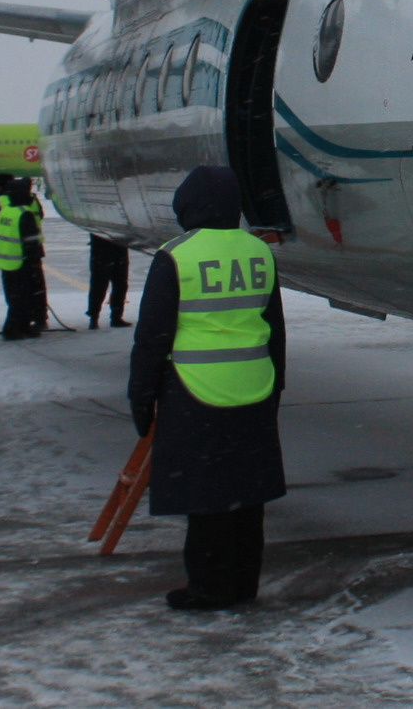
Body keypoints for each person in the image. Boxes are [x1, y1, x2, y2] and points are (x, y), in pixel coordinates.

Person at [128, 166, 286, 611]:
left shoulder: (176, 255)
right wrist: (277, 387)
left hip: (196, 389)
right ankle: (242, 582)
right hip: (254, 386)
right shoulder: (258, 251)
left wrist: (141, 397)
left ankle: (208, 586)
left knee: (206, 496)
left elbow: (153, 336)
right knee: (246, 495)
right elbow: (274, 327)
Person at [0, 176, 45, 339]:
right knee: (23, 299)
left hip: (6, 261)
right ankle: (13, 329)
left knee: (14, 299)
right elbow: (30, 242)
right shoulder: (24, 213)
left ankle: (19, 327)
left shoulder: (6, 211)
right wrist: (34, 262)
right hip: (21, 262)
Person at [88, 234, 133, 329]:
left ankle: (114, 317)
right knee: (100, 285)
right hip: (105, 247)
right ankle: (96, 317)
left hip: (113, 247)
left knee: (119, 284)